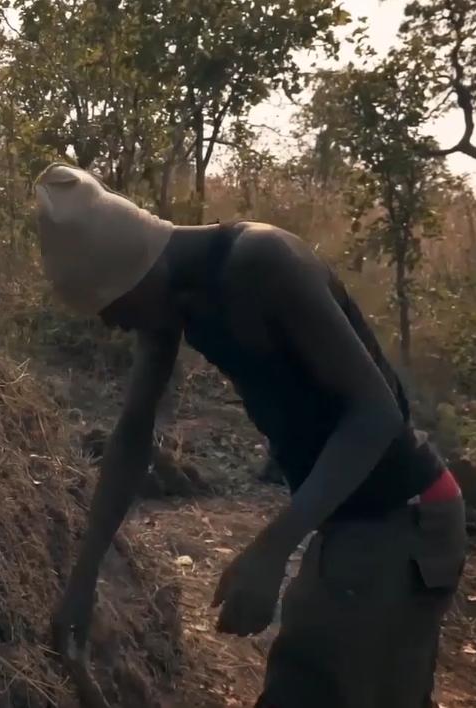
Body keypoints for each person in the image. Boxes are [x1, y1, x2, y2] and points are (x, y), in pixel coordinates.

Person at [34, 162, 467, 708]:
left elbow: (377, 412)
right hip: (352, 524)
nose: (112, 325)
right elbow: (131, 438)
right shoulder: (173, 304)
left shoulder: (262, 262)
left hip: (405, 519)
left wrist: (272, 548)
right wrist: (83, 579)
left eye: (114, 308)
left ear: (140, 273)